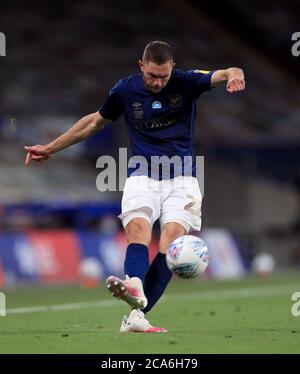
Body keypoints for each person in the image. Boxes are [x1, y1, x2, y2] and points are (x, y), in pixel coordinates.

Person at [24, 41, 245, 333]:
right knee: (138, 230)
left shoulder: (188, 81)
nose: (157, 82)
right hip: (142, 175)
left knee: (171, 243)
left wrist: (234, 75)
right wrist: (51, 148)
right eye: (152, 75)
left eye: (163, 77)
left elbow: (228, 70)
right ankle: (135, 285)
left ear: (172, 69)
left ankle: (137, 316)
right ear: (141, 65)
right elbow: (93, 123)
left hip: (183, 180)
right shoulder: (125, 91)